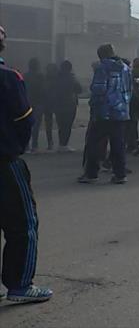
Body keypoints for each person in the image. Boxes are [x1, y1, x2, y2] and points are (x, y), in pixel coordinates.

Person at [0, 25, 53, 303]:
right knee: (23, 223)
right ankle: (20, 284)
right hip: (5, 161)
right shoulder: (9, 78)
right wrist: (16, 147)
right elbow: (25, 120)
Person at [77, 44, 133, 185]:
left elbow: (99, 89)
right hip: (121, 111)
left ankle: (91, 173)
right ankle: (120, 174)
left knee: (94, 144)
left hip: (103, 112)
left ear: (101, 55)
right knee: (118, 144)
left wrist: (93, 105)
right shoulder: (126, 68)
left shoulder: (101, 68)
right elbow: (129, 89)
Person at [54, 60, 82, 152]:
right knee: (68, 125)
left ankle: (61, 144)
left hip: (58, 103)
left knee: (61, 125)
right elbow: (79, 89)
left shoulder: (56, 77)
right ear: (70, 68)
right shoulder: (71, 78)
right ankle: (64, 144)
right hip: (70, 103)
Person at [23, 58, 46, 153]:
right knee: (36, 125)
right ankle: (34, 145)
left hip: (26, 102)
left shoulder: (25, 76)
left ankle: (26, 145)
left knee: (26, 125)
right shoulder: (40, 76)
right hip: (38, 102)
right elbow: (44, 90)